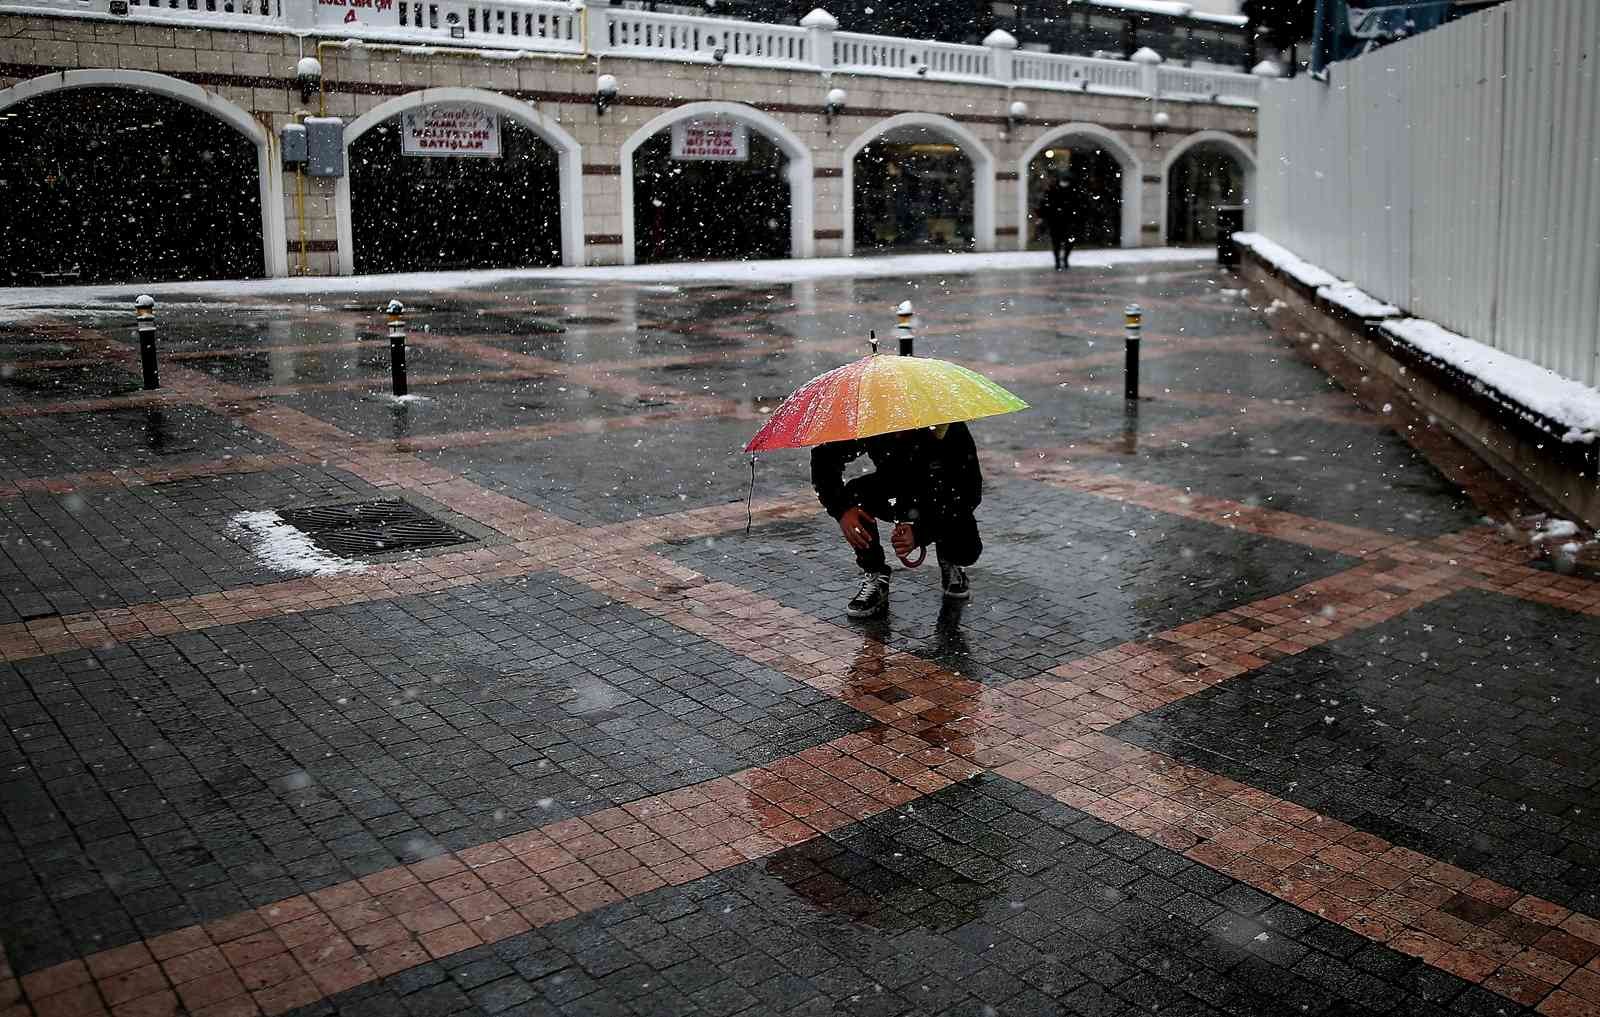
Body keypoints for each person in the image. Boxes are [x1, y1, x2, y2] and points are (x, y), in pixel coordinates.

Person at [811, 422, 983, 619]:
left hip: (940, 497)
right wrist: (842, 510)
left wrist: (920, 533)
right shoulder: (874, 420)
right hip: (894, 492)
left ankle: (950, 559)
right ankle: (876, 574)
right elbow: (823, 458)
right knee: (854, 495)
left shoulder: (950, 428)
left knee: (965, 549)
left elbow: (970, 492)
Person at [1038, 174, 1081, 271]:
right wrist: (1043, 216)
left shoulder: (1073, 192)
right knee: (1056, 243)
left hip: (1068, 221)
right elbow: (1044, 205)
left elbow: (1078, 205)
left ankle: (1064, 259)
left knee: (1068, 242)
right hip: (1055, 222)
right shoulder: (1052, 191)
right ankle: (1058, 261)